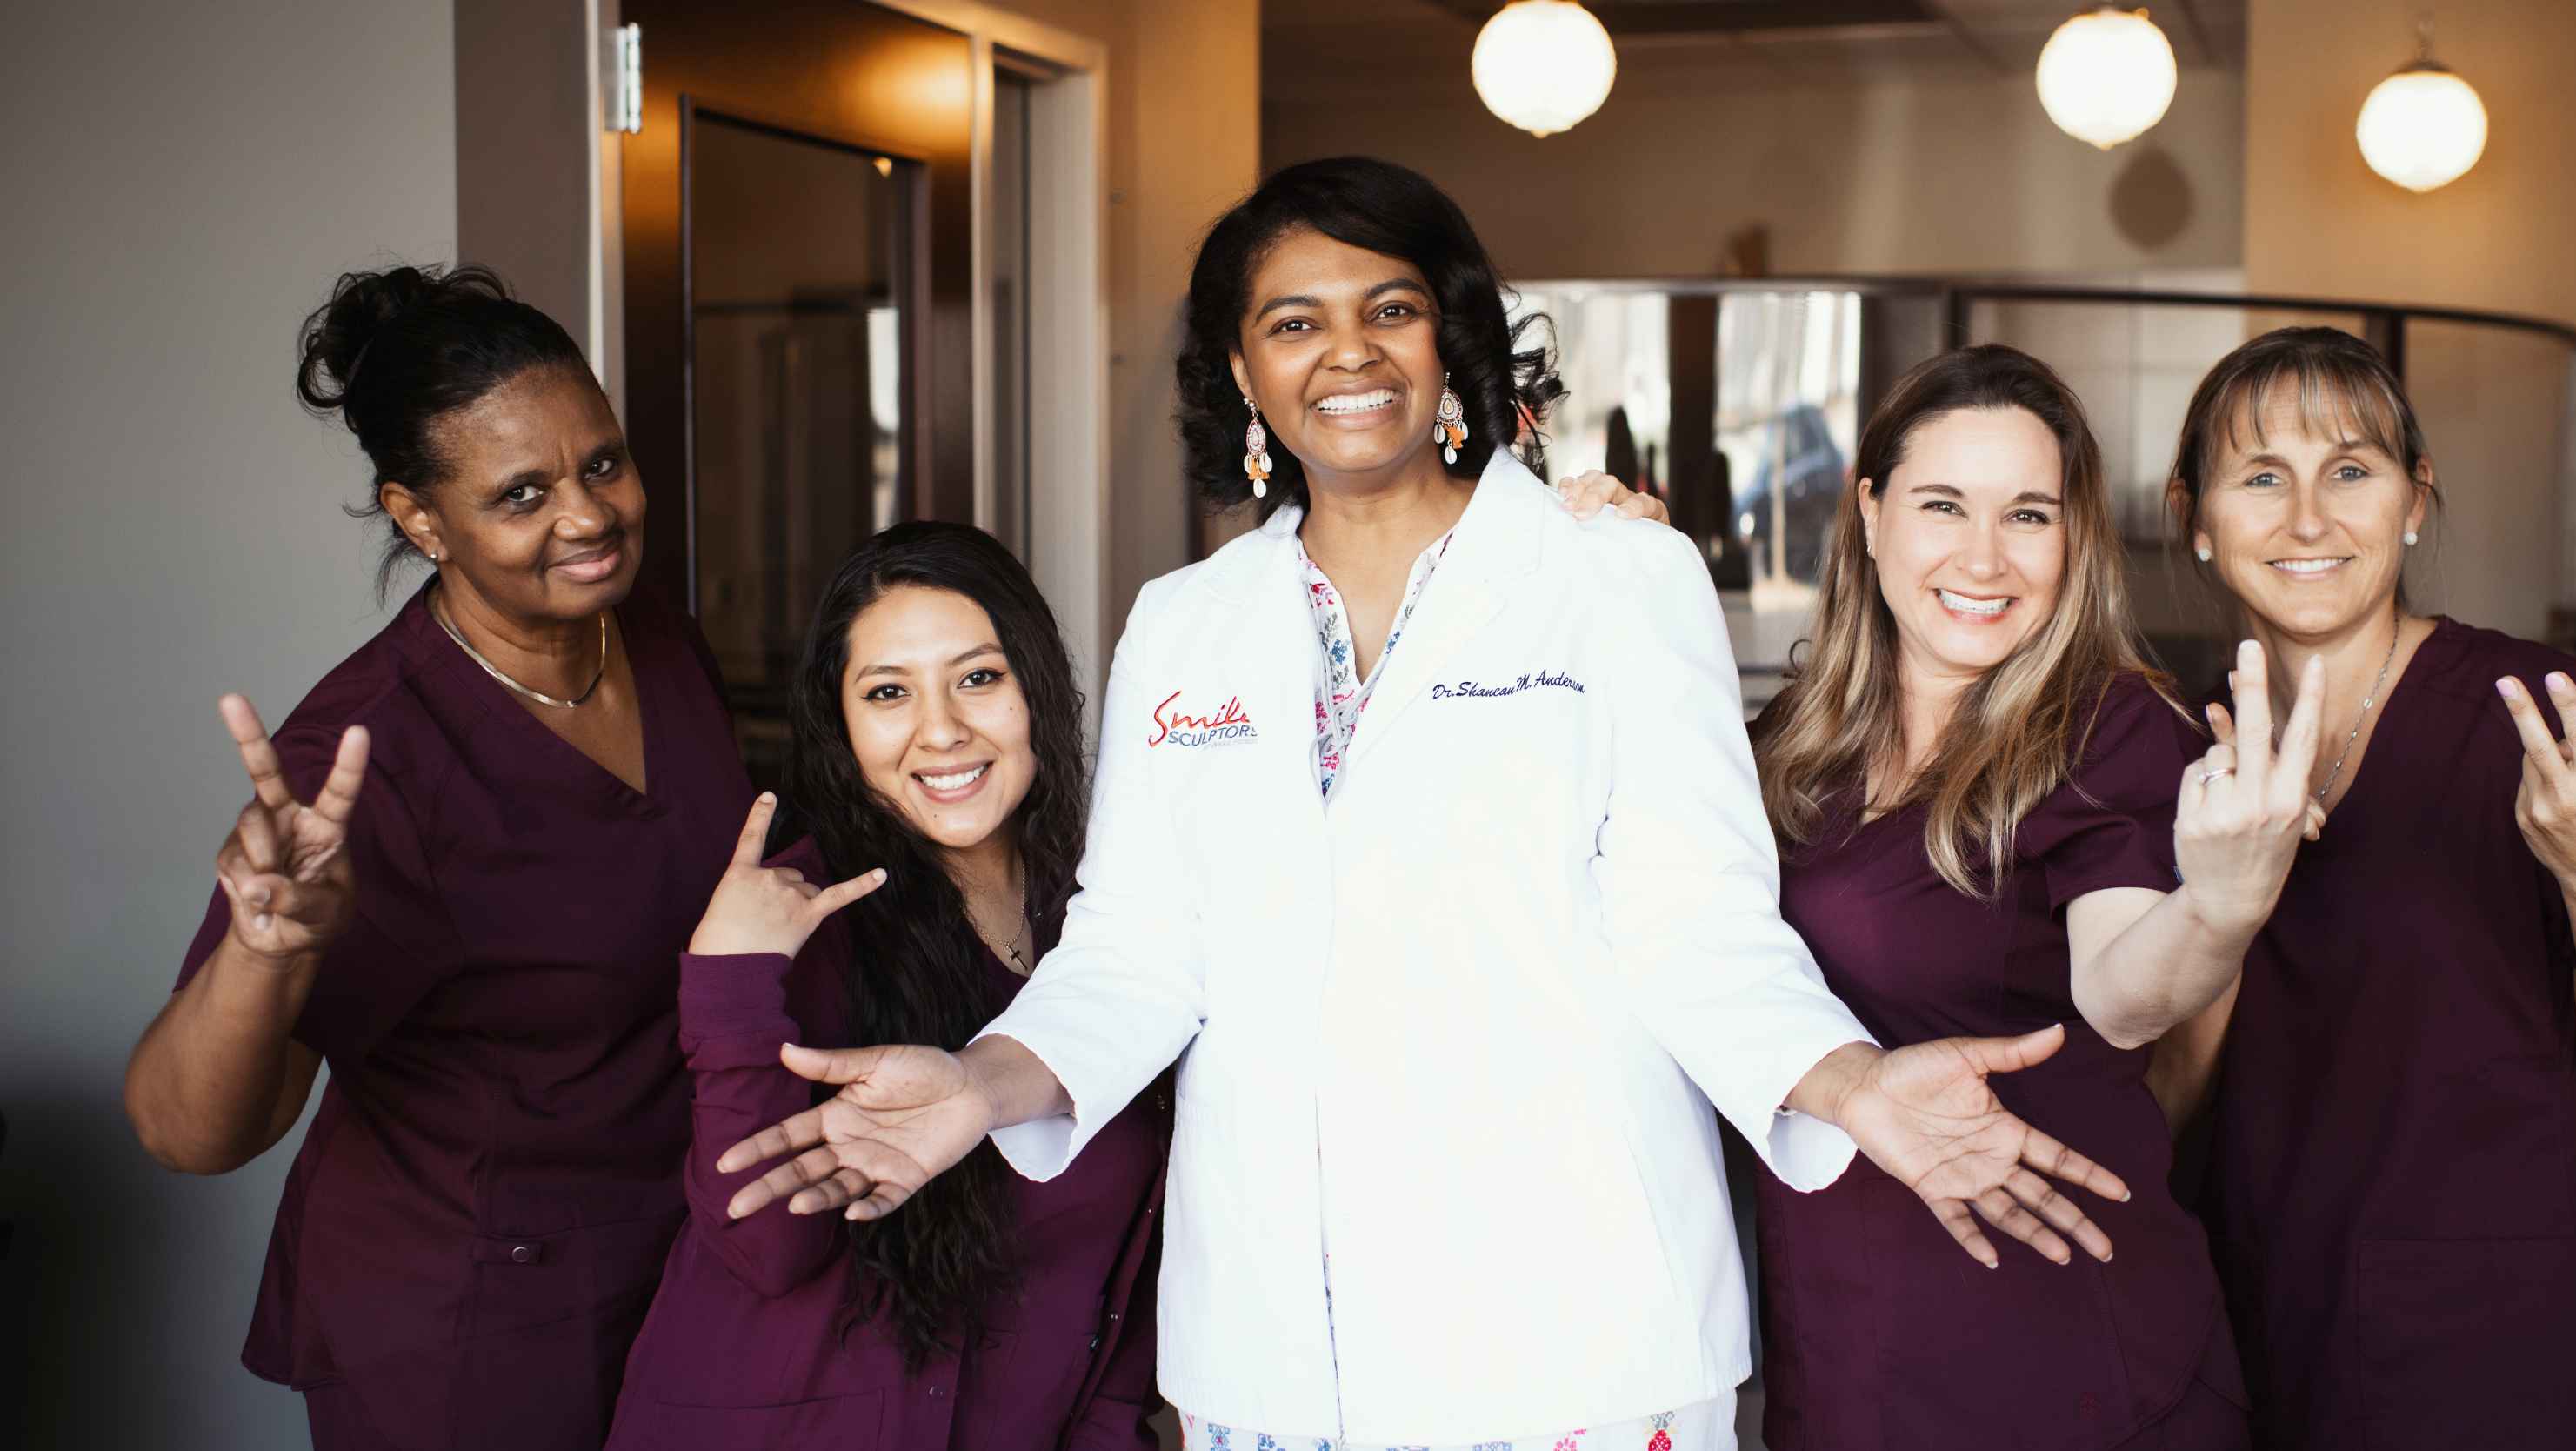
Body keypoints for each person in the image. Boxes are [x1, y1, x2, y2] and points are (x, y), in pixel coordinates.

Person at [711, 157, 2131, 1451]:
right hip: (1275, 1361)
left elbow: (1691, 913)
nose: (1345, 352)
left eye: (1386, 308)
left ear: (1446, 338)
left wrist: (1851, 1081)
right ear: (1239, 370)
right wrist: (979, 1080)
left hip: (1572, 1335)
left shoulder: (1615, 581)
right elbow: (1139, 947)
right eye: (1292, 321)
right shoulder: (1185, 625)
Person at [120, 264, 757, 1448]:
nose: (589, 515)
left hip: (672, 1265)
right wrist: (265, 947)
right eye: (521, 494)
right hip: (470, 1325)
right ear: (420, 518)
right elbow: (183, 1132)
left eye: (602, 462)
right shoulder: (365, 759)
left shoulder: (652, 635)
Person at [2146, 327, 2576, 1450]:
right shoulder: (2171, 744)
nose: (2308, 519)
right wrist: (2227, 902)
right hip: (2249, 1314)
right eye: (2261, 477)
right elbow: (2163, 1102)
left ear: (2415, 503)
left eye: (2351, 472)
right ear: (2198, 520)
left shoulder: (2533, 707)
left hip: (2499, 1335)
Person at [1743, 344, 2311, 1450]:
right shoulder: (1791, 745)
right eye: (1943, 505)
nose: (1984, 558)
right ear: (1868, 513)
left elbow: (2121, 994)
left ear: (2073, 538)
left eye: (2028, 517)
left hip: (2065, 1357)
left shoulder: (2111, 730)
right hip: (1846, 1343)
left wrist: (2220, 907)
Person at [606, 523, 1165, 1448]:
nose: (941, 731)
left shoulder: (1121, 918)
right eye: (888, 693)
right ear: (840, 724)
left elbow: (1133, 1243)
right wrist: (728, 984)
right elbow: (765, 1247)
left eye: (978, 678)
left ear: (1036, 686)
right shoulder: (798, 917)